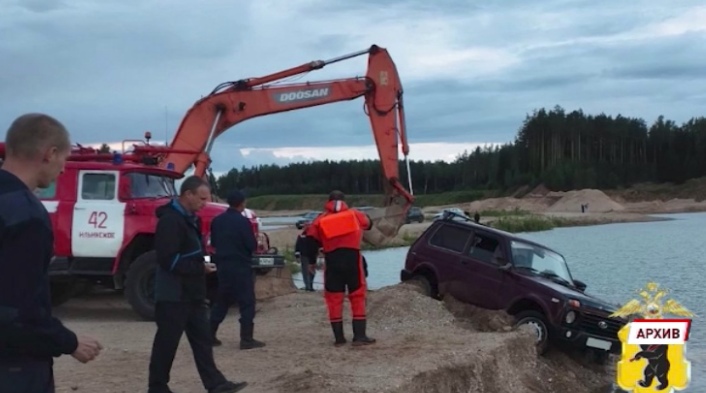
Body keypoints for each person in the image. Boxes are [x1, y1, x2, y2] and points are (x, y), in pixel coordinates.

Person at [0, 113, 103, 393]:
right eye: (64, 160)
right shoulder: (26, 214)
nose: (63, 169)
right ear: (50, 153)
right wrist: (68, 341)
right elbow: (17, 310)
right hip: (14, 367)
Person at [148, 176, 247, 393]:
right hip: (173, 295)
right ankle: (157, 388)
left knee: (202, 342)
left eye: (207, 198)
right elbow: (167, 260)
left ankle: (217, 385)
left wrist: (204, 264)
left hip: (192, 293)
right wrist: (199, 268)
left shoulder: (190, 219)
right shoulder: (170, 221)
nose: (205, 203)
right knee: (167, 344)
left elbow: (189, 254)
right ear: (188, 194)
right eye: (201, 198)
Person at [307, 190, 376, 347]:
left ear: (328, 201)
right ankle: (359, 336)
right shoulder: (354, 214)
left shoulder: (320, 219)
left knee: (334, 299)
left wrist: (311, 262)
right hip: (352, 260)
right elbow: (369, 224)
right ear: (344, 201)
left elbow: (311, 240)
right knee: (357, 297)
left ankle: (339, 339)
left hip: (332, 262)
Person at [209, 190, 265, 350]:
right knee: (247, 302)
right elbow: (251, 245)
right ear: (242, 203)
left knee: (222, 301)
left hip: (223, 266)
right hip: (240, 266)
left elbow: (213, 242)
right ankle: (246, 339)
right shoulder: (243, 222)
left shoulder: (217, 221)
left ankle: (209, 334)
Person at [294, 225, 320, 291]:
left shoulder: (305, 235)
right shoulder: (313, 235)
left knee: (307, 271)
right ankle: (309, 286)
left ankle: (309, 286)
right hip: (308, 255)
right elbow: (298, 245)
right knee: (309, 271)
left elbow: (298, 246)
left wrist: (297, 255)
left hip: (309, 255)